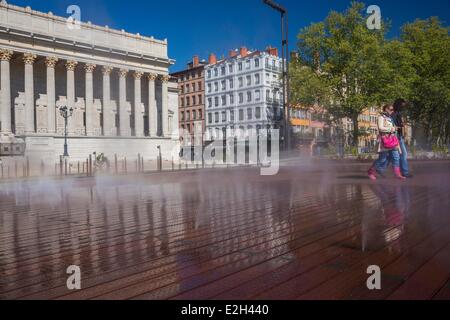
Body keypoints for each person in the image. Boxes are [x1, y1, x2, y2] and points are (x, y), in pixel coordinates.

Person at [368, 104, 405, 180]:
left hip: (393, 140)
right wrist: (391, 129)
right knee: (382, 159)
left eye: (393, 110)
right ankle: (371, 172)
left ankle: (397, 174)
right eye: (391, 109)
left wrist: (395, 128)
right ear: (386, 109)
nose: (392, 111)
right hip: (385, 140)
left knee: (396, 157)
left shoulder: (390, 118)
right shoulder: (381, 117)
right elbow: (381, 128)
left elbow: (393, 128)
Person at [392, 99, 411, 177]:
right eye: (402, 105)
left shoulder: (398, 113)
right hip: (397, 136)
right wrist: (400, 126)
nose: (404, 107)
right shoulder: (395, 114)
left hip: (399, 136)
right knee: (403, 154)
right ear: (399, 105)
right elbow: (393, 125)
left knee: (397, 155)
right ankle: (405, 172)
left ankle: (400, 172)